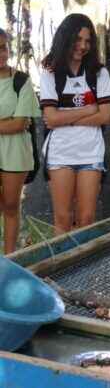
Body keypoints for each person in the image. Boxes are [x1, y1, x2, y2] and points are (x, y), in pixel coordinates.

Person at [40, 14, 110, 235]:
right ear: (65, 38)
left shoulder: (100, 73)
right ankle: (61, 268)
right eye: (78, 39)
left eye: (88, 41)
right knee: (62, 219)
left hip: (90, 152)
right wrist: (89, 109)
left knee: (86, 219)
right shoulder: (50, 73)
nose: (83, 46)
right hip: (61, 153)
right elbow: (50, 118)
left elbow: (105, 116)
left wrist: (66, 118)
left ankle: (85, 269)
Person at [0, 29, 40, 253]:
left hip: (16, 152)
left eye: (4, 47)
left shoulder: (22, 80)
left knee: (11, 205)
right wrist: (8, 120)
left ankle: (9, 262)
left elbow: (19, 124)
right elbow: (13, 123)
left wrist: (13, 121)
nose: (1, 53)